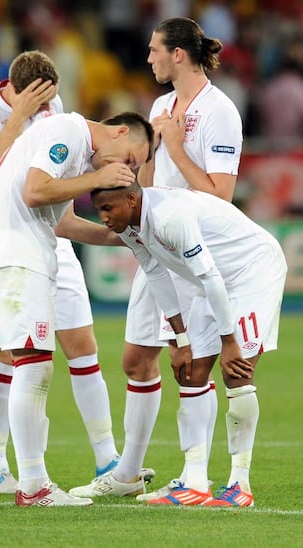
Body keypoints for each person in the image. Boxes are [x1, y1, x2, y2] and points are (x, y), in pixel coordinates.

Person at [69, 17, 243, 501]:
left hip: (191, 248)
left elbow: (221, 196)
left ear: (178, 55)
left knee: (189, 363)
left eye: (154, 50)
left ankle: (195, 477)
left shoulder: (220, 112)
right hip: (155, 246)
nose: (148, 58)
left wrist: (176, 145)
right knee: (134, 359)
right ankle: (127, 474)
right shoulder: (162, 105)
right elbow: (146, 181)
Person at [0, 110, 154, 507]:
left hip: (22, 255)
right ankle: (33, 485)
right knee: (33, 368)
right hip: (17, 257)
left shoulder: (74, 147)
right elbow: (34, 191)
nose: (125, 171)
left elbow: (63, 223)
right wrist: (98, 179)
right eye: (130, 160)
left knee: (35, 366)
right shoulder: (68, 130)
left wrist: (126, 240)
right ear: (120, 132)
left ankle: (35, 482)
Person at [0, 50, 123, 494]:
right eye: (38, 100)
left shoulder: (56, 113)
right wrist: (16, 119)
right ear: (16, 91)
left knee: (82, 345)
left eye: (50, 101)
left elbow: (61, 202)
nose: (46, 108)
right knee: (7, 357)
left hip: (53, 239)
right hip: (9, 245)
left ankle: (106, 457)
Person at [90, 182, 286, 507]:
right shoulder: (130, 226)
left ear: (131, 198)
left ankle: (240, 484)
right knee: (191, 371)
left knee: (237, 372)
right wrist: (181, 338)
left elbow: (209, 276)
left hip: (251, 272)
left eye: (107, 208)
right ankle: (194, 482)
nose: (103, 218)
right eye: (99, 210)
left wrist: (229, 342)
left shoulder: (170, 217)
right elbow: (156, 274)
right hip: (210, 280)